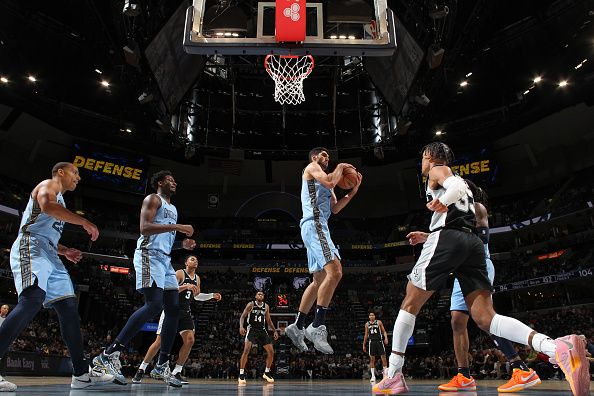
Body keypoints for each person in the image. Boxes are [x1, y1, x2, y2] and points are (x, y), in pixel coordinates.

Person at [373, 142, 590, 396]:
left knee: (410, 301)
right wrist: (430, 232)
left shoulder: (438, 170)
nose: (421, 163)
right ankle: (556, 348)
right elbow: (460, 206)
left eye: (422, 157)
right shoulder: (463, 184)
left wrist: (443, 202)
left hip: (450, 239)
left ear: (430, 157)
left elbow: (453, 188)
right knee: (487, 318)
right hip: (472, 245)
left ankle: (394, 374)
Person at [0, 162, 113, 391]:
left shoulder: (61, 200)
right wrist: (83, 220)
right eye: (75, 173)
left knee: (69, 309)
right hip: (30, 247)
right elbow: (46, 207)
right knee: (32, 300)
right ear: (61, 172)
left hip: (51, 253)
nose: (78, 178)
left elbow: (48, 231)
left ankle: (81, 374)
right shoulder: (48, 185)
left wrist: (65, 251)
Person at [93, 170, 196, 387]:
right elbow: (145, 228)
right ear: (160, 183)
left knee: (173, 309)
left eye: (174, 179)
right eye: (170, 179)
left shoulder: (173, 208)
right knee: (154, 305)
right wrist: (178, 227)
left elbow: (165, 239)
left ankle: (161, 364)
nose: (174, 182)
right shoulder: (152, 199)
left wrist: (181, 245)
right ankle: (109, 354)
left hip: (165, 260)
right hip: (148, 256)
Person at [437, 179, 541, 393]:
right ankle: (463, 375)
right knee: (457, 321)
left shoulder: (477, 208)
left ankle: (520, 368)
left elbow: (476, 241)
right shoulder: (455, 211)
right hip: (462, 270)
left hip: (479, 266)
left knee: (486, 321)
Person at [285, 147, 362, 354]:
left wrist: (352, 192)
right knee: (335, 271)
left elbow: (335, 208)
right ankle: (317, 325)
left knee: (318, 281)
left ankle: (298, 325)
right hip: (315, 224)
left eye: (329, 155)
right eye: (324, 155)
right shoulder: (312, 168)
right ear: (314, 157)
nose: (327, 157)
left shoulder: (329, 181)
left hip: (318, 226)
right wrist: (341, 168)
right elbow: (329, 181)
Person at [132, 254, 221, 385]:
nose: (195, 260)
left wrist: (211, 295)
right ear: (186, 262)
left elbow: (196, 296)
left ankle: (176, 372)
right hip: (171, 309)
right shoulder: (180, 273)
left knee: (190, 340)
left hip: (185, 312)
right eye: (192, 259)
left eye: (196, 259)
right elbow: (168, 290)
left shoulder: (197, 278)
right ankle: (141, 370)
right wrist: (186, 286)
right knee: (159, 342)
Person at [238, 291, 279, 386]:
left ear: (263, 297)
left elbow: (268, 320)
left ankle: (267, 373)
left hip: (262, 330)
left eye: (262, 294)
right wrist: (241, 326)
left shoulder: (266, 306)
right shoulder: (251, 304)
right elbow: (242, 316)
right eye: (259, 294)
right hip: (251, 329)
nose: (261, 295)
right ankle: (241, 374)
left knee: (271, 352)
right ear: (255, 296)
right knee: (247, 350)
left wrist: (275, 331)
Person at [363, 312, 389, 383]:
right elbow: (365, 335)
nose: (371, 316)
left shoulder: (379, 322)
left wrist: (386, 338)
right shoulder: (367, 324)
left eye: (373, 315)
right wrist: (364, 345)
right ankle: (373, 376)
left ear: (374, 316)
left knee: (383, 357)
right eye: (370, 315)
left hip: (379, 341)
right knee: (372, 359)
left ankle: (385, 375)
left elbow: (384, 331)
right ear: (369, 317)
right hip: (371, 342)